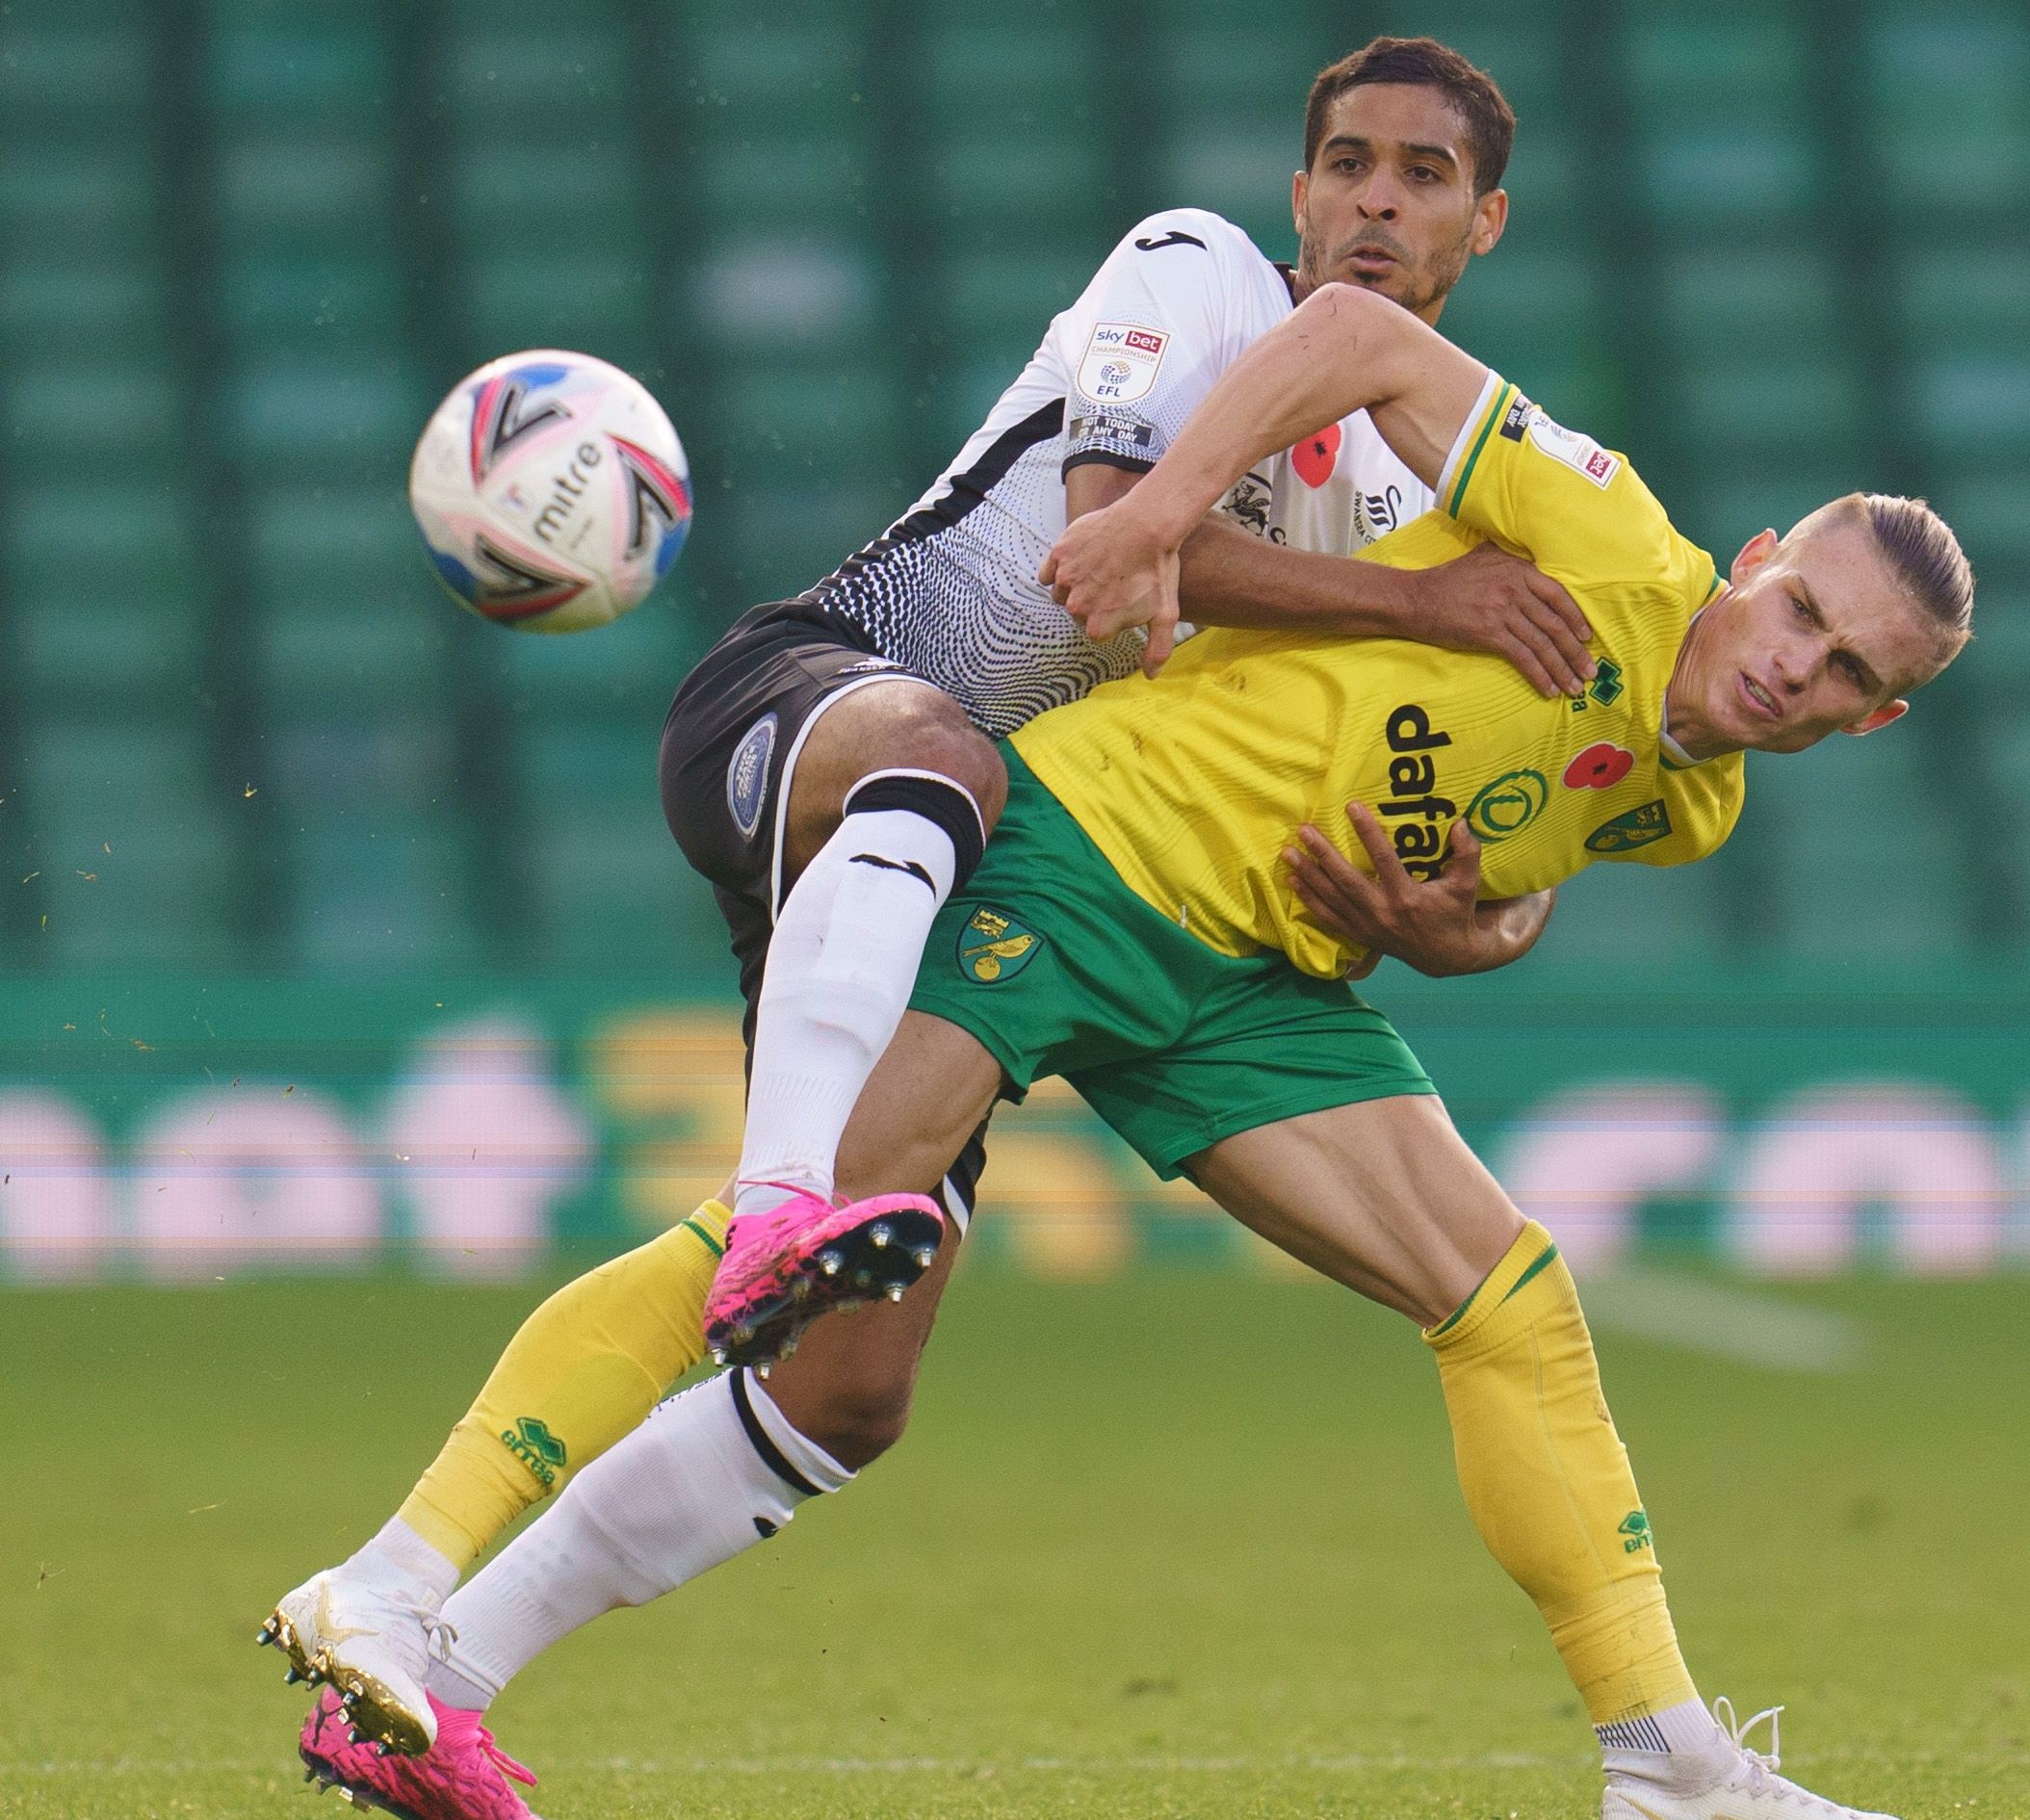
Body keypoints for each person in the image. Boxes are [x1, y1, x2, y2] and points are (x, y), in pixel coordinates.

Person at [305, 265, 1975, 1820]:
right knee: (792, 1239)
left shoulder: (1697, 801)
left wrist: (1453, 922)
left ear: (1876, 716)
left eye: (1845, 672)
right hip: (1092, 849)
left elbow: (1507, 881)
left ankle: (1665, 1763)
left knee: (1509, 1296)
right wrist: (1166, 513)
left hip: (1254, 984)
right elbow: (1356, 330)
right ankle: (388, 1582)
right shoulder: (1608, 533)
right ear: (1759, 556)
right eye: (1801, 610)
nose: (1794, 666)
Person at [268, 30, 1587, 1790]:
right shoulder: (1195, 277)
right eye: (1348, 162)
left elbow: (1479, 873)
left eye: (1422, 178)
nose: (1375, 200)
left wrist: (1437, 919)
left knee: (847, 1395)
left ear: (1483, 225)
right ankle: (769, 1212)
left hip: (952, 889)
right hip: (825, 694)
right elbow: (1108, 557)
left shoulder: (1420, 496)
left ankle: (425, 1655)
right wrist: (1425, 615)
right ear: (1297, 192)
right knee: (948, 755)